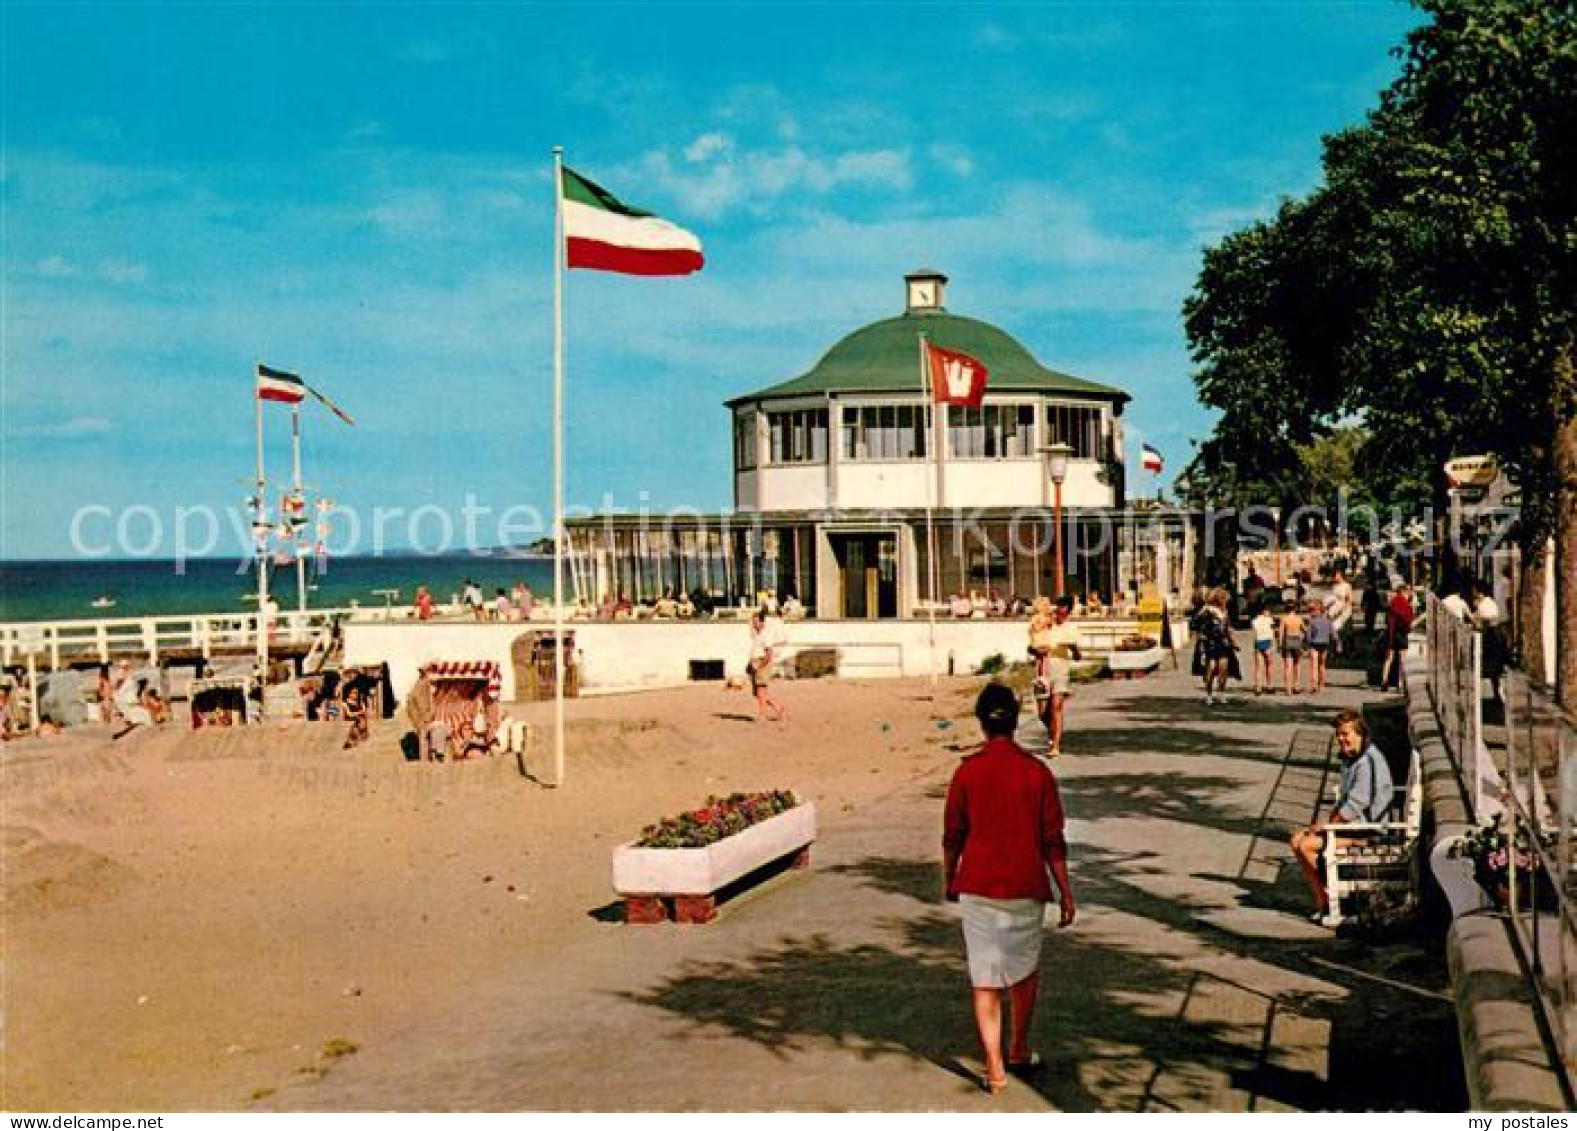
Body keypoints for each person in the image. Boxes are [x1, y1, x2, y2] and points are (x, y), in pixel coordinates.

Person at [943, 683, 1076, 1095]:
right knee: (1023, 971)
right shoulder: (1037, 773)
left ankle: (994, 1067)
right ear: (1016, 722)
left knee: (985, 978)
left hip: (978, 886)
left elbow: (953, 836)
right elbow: (1052, 839)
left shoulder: (967, 772)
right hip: (1025, 885)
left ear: (981, 723)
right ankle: (1017, 1046)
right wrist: (1065, 891)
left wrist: (950, 878)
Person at [1290, 710, 1396, 926]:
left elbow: (1355, 804)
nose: (1341, 739)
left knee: (1307, 846)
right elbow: (1345, 804)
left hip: (1371, 830)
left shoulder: (1368, 762)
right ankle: (1324, 901)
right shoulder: (1353, 758)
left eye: (1346, 734)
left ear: (1361, 735)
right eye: (1339, 734)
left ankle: (1337, 900)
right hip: (1356, 825)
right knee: (1295, 840)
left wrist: (1327, 828)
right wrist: (1326, 826)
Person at [1039, 597, 1081, 757]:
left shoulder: (1072, 629)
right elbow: (1033, 645)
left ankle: (1055, 746)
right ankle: (1052, 731)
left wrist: (1074, 648)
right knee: (1043, 712)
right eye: (1058, 610)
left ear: (1068, 612)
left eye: (1063, 611)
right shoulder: (1047, 626)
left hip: (1061, 670)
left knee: (1056, 706)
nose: (1059, 614)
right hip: (1043, 670)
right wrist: (1037, 650)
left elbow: (1078, 656)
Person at [1191, 589, 1236, 705]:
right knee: (1210, 668)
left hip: (1223, 643)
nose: (1226, 602)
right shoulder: (1206, 611)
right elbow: (1195, 626)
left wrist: (1233, 642)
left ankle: (1221, 692)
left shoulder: (1224, 612)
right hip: (1209, 643)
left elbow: (1228, 628)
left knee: (1223, 668)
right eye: (1224, 599)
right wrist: (1200, 639)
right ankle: (1209, 694)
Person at [747, 610, 785, 722]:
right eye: (753, 622)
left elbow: (769, 654)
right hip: (756, 662)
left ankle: (762, 715)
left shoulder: (765, 635)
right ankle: (777, 707)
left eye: (756, 622)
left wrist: (759, 665)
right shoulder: (757, 636)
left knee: (761, 690)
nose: (754, 624)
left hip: (762, 663)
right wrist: (750, 664)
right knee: (758, 693)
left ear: (762, 622)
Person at [1381, 584, 1414, 690]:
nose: (1409, 596)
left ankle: (1384, 680)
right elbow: (1407, 622)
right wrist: (1408, 629)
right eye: (1409, 594)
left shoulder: (1391, 604)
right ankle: (1399, 682)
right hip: (1401, 634)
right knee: (1402, 660)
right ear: (1404, 592)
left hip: (1390, 633)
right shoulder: (1407, 606)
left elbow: (1387, 620)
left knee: (1388, 658)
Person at [1277, 601, 1308, 695]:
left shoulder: (1284, 619)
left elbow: (1281, 633)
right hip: (1297, 640)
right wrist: (1305, 641)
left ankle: (1288, 688)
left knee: (1287, 666)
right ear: (1295, 609)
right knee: (1297, 665)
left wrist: (1279, 644)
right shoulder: (1299, 619)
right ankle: (1296, 686)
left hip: (1287, 640)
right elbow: (1305, 630)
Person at [1306, 603, 1334, 693]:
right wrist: (1336, 644)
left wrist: (1307, 645)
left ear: (1318, 611)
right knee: (1322, 665)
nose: (1312, 612)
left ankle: (1314, 685)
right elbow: (1332, 634)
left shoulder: (1312, 621)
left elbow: (1309, 636)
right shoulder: (1328, 621)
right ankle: (1321, 685)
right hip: (1325, 644)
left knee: (1314, 665)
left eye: (1314, 610)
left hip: (1314, 644)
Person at [1250, 602, 1276, 695]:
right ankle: (1270, 686)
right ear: (1264, 611)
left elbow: (1255, 634)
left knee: (1258, 667)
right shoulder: (1269, 619)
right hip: (1267, 642)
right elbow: (1272, 632)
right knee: (1269, 666)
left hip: (1258, 643)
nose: (1269, 612)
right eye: (1268, 611)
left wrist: (1254, 646)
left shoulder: (1254, 621)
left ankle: (1258, 687)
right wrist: (1273, 644)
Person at [1325, 569, 1353, 655]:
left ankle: (1340, 646)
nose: (1334, 577)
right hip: (1333, 610)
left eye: (1336, 575)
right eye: (1334, 575)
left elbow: (1349, 600)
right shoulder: (1334, 586)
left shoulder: (1347, 586)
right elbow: (1331, 598)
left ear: (1341, 575)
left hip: (1343, 611)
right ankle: (1335, 648)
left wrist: (1341, 610)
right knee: (1331, 629)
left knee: (1337, 629)